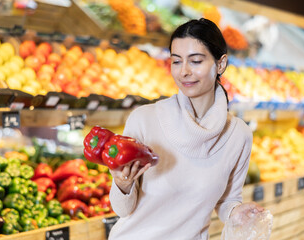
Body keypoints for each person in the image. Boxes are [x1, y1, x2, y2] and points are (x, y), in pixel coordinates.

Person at [108, 18, 264, 240]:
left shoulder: (239, 135)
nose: (184, 72)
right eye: (176, 61)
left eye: (196, 61)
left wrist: (236, 212)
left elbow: (227, 200)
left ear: (221, 64)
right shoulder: (144, 120)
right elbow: (122, 210)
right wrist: (123, 184)